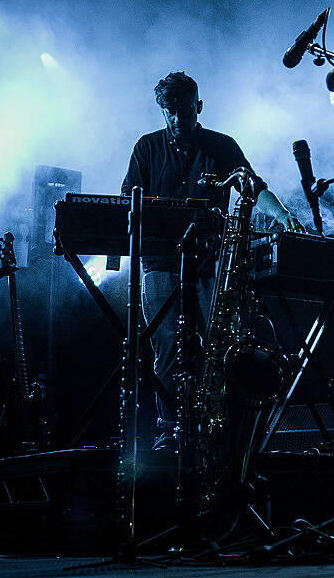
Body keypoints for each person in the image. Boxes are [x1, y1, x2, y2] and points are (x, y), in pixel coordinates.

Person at [122, 71, 304, 449]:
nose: (177, 119)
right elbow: (129, 202)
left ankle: (218, 430)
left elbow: (253, 186)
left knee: (220, 346)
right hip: (159, 262)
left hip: (209, 263)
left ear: (198, 107)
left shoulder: (222, 146)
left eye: (184, 110)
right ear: (162, 110)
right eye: (170, 112)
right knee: (168, 346)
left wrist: (281, 213)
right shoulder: (146, 147)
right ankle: (170, 430)